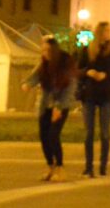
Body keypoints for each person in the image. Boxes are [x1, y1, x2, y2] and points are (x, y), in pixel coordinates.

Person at [23, 35, 76, 182]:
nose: (44, 53)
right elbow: (35, 76)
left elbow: (70, 87)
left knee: (53, 135)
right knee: (44, 137)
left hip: (61, 105)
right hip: (46, 105)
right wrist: (27, 84)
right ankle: (50, 166)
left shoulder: (65, 63)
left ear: (53, 50)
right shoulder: (44, 64)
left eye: (47, 50)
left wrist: (59, 107)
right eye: (43, 50)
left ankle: (60, 167)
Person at [77, 21, 110, 177]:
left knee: (105, 132)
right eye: (106, 31)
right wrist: (88, 72)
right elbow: (78, 70)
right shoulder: (88, 49)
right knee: (88, 132)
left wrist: (106, 75)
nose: (109, 33)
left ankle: (103, 166)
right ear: (100, 32)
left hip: (106, 94)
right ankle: (88, 166)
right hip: (89, 94)